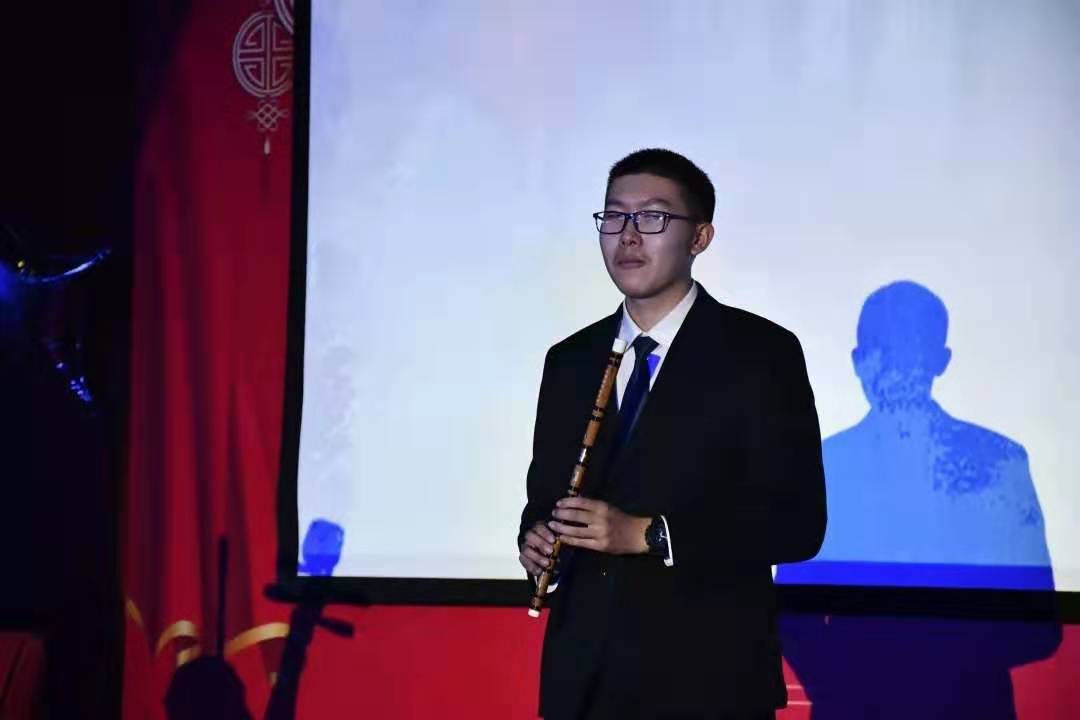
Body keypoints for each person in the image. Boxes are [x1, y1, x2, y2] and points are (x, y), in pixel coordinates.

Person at [517, 148, 827, 719]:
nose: (629, 235)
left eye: (653, 217)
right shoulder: (570, 360)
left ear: (700, 237)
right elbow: (545, 496)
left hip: (707, 683)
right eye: (614, 216)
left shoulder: (760, 354)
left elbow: (796, 522)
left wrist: (648, 534)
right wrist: (536, 542)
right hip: (583, 684)